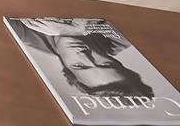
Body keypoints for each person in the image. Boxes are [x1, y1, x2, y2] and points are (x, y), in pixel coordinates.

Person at [16, 18, 154, 98]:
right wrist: (79, 30)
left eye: (79, 66)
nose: (83, 54)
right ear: (116, 60)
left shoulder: (24, 36)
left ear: (66, 68)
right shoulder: (121, 39)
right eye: (106, 64)